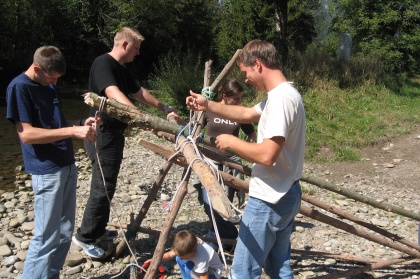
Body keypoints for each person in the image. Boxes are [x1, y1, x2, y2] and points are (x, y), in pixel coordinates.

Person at [186, 39, 305, 279]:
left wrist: (232, 142)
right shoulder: (283, 94)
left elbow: (267, 155)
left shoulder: (281, 100)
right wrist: (207, 104)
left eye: (246, 72)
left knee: (242, 272)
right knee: (278, 268)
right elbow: (246, 113)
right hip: (287, 192)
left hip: (269, 199)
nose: (246, 79)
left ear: (258, 64)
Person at [73, 27, 178, 259]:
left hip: (114, 134)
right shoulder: (103, 63)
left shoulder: (120, 69)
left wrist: (163, 108)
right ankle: (86, 236)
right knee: (103, 186)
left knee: (108, 184)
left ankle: (97, 231)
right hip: (102, 133)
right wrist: (140, 117)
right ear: (125, 45)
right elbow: (112, 93)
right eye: (136, 49)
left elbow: (140, 92)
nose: (138, 54)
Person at [6, 46, 98, 279]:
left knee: (65, 232)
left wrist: (80, 123)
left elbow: (53, 125)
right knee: (45, 237)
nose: (54, 84)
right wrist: (72, 131)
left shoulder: (49, 84)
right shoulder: (19, 87)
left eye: (57, 79)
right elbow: (26, 134)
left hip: (66, 164)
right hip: (46, 170)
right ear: (37, 68)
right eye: (51, 78)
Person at [192, 79, 256, 249]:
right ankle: (231, 236)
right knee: (209, 202)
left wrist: (245, 149)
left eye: (240, 98)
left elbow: (251, 134)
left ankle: (218, 237)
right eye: (236, 98)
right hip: (209, 161)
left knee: (225, 203)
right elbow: (194, 127)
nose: (239, 102)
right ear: (224, 96)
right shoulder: (209, 109)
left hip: (230, 163)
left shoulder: (239, 113)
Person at [146, 230, 224, 279]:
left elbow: (204, 275)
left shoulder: (201, 256)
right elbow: (169, 255)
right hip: (202, 268)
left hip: (213, 273)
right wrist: (155, 260)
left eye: (184, 257)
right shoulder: (187, 244)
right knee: (178, 258)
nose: (182, 258)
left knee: (188, 266)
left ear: (193, 251)